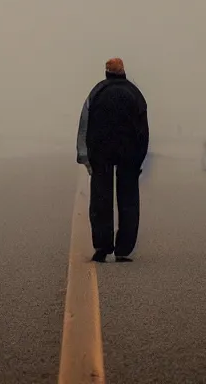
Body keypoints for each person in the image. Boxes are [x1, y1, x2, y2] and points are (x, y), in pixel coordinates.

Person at [76, 58, 149, 263]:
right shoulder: (135, 94)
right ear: (124, 71)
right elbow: (143, 130)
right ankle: (123, 249)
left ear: (106, 72)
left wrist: (85, 156)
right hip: (129, 156)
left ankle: (102, 247)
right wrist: (139, 159)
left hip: (101, 156)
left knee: (101, 200)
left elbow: (84, 124)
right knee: (129, 202)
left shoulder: (97, 92)